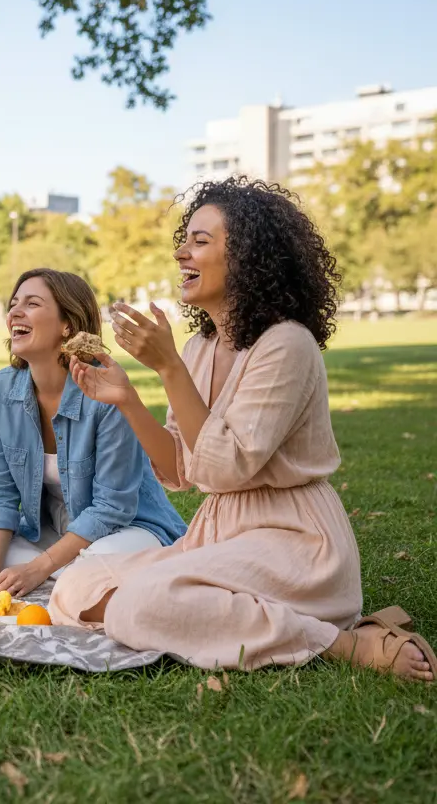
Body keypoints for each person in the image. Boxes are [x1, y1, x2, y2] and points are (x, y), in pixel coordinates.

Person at [50, 177, 433, 681]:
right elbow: (181, 471)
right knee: (74, 588)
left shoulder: (286, 345)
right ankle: (228, 616)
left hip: (293, 538)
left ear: (248, 256)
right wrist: (127, 397)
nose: (182, 253)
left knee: (140, 605)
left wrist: (168, 369)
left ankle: (342, 642)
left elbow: (228, 467)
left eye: (200, 241)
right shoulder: (198, 349)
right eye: (184, 241)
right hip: (219, 531)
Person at [0, 269, 186, 596]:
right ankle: (71, 574)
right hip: (55, 532)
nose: (15, 312)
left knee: (100, 559)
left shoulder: (104, 391)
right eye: (14, 304)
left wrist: (38, 568)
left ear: (67, 325)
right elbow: (0, 489)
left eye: (32, 303)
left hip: (127, 529)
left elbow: (113, 508)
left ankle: (59, 571)